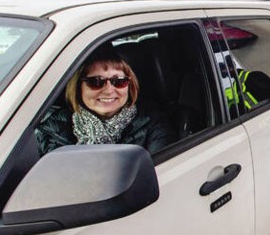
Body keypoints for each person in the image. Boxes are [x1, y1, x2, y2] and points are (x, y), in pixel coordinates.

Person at [35, 45, 174, 155]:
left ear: (129, 86)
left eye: (119, 81)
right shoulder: (50, 130)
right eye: (96, 81)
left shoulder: (154, 123)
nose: (108, 90)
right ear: (78, 87)